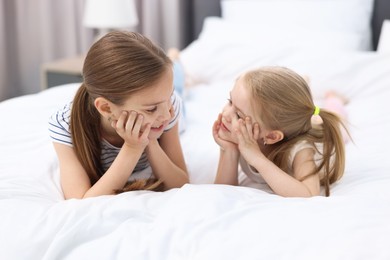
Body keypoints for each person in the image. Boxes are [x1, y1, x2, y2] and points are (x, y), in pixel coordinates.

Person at [49, 31, 189, 199]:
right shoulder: (64, 125)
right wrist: (133, 147)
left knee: (179, 86)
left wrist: (151, 141)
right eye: (151, 109)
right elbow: (80, 201)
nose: (166, 115)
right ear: (106, 108)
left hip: (173, 95)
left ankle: (175, 62)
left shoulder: (169, 106)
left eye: (167, 100)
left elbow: (181, 184)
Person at [212, 66, 350, 197]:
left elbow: (309, 194)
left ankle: (334, 99)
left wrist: (256, 158)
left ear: (271, 136)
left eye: (238, 115)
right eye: (230, 101)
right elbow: (224, 191)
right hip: (286, 124)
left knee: (336, 121)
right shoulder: (239, 137)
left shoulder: (301, 150)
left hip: (320, 133)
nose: (226, 114)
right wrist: (229, 150)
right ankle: (300, 90)